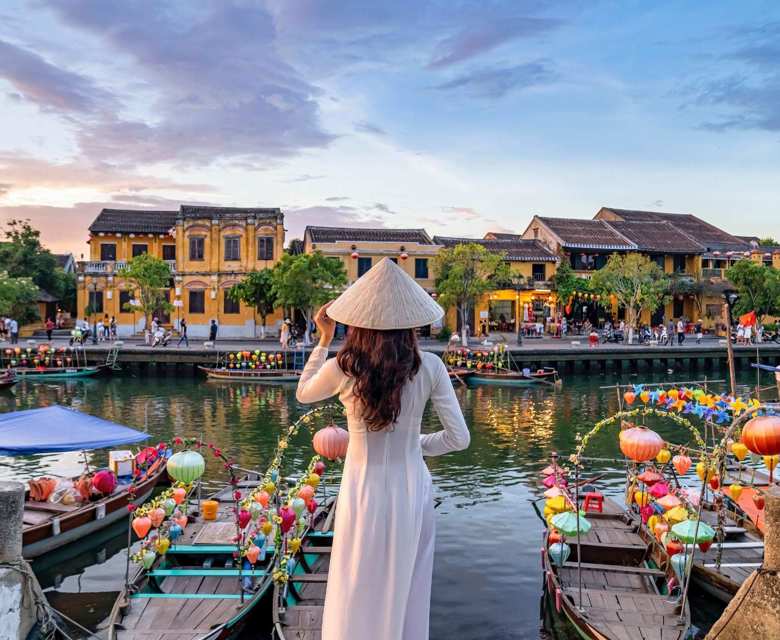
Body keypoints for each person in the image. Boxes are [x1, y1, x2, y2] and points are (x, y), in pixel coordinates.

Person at [296, 258, 469, 640]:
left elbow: (303, 392)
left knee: (357, 583)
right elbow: (459, 439)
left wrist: (323, 339)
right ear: (410, 322)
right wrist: (415, 444)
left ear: (358, 320)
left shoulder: (344, 367)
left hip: (362, 489)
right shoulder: (431, 366)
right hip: (412, 488)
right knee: (408, 585)